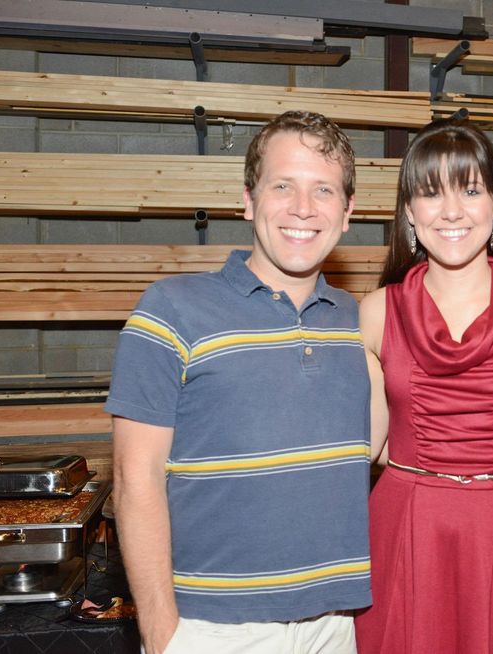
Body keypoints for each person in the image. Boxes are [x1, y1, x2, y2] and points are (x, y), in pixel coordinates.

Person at [107, 111, 371, 654]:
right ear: (249, 200)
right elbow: (135, 479)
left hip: (334, 626)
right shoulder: (171, 309)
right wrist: (161, 633)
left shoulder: (360, 321)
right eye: (283, 186)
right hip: (212, 629)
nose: (303, 207)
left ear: (347, 213)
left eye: (323, 189)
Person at [353, 118, 493, 653]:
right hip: (408, 529)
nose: (452, 211)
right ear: (410, 211)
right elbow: (365, 448)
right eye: (432, 193)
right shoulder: (377, 312)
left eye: (471, 191)